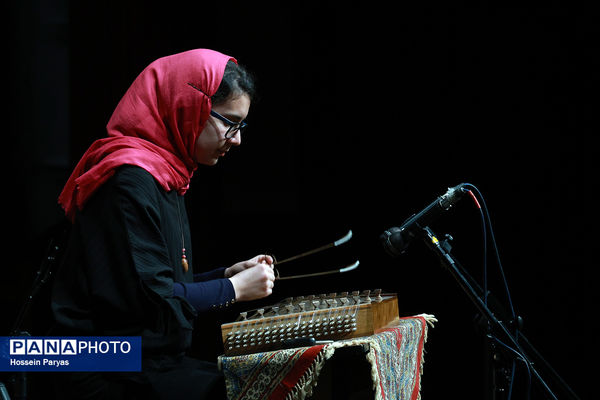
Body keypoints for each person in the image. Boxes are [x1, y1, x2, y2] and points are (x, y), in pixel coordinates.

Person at [50, 49, 276, 399]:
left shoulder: (167, 174)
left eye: (241, 125)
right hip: (101, 364)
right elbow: (152, 299)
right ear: (189, 106)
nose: (237, 139)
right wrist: (234, 290)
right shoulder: (128, 179)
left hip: (141, 360)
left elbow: (157, 284)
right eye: (229, 122)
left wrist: (226, 276)